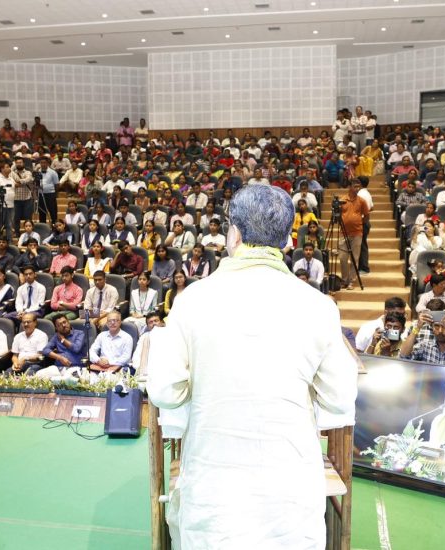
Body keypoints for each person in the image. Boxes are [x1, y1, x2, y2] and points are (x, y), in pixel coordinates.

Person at [147, 184, 356, 549]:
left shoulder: (193, 300)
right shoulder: (318, 306)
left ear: (234, 234)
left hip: (215, 499)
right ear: (287, 240)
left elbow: (165, 391)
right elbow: (340, 399)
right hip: (289, 499)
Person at [339, 179, 369, 289]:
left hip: (357, 233)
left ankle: (351, 281)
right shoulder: (342, 200)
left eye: (358, 187)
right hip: (343, 233)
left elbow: (366, 216)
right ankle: (344, 279)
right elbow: (337, 215)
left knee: (354, 258)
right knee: (342, 257)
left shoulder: (362, 201)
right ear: (350, 187)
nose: (357, 189)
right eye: (355, 186)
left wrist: (358, 223)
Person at [36, 314, 86, 378]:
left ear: (68, 322)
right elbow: (45, 350)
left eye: (64, 322)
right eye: (59, 325)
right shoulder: (56, 337)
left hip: (75, 367)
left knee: (67, 379)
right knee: (38, 375)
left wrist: (63, 340)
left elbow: (76, 348)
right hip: (59, 368)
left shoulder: (79, 333)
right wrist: (60, 358)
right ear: (56, 328)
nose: (63, 325)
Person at [37, 157, 59, 224]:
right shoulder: (37, 172)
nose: (43, 164)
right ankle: (43, 227)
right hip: (41, 194)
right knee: (42, 212)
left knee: (53, 212)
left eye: (44, 163)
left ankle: (54, 226)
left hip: (50, 194)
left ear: (47, 163)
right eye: (41, 163)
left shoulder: (53, 172)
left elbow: (56, 184)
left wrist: (55, 194)